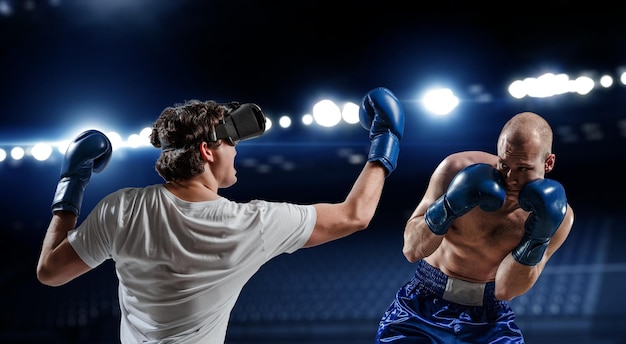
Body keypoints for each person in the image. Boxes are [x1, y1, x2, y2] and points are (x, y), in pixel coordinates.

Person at [36, 87, 405, 344]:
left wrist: (71, 185)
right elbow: (354, 215)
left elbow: (50, 272)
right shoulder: (249, 223)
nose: (236, 151)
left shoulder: (122, 208)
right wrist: (385, 140)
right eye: (231, 143)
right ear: (207, 151)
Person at [376, 111, 575, 343]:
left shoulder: (559, 218)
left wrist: (538, 236)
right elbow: (411, 249)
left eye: (523, 169)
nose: (510, 178)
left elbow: (506, 290)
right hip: (422, 307)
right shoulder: (457, 168)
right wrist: (449, 206)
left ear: (548, 162)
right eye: (504, 165)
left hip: (489, 320)